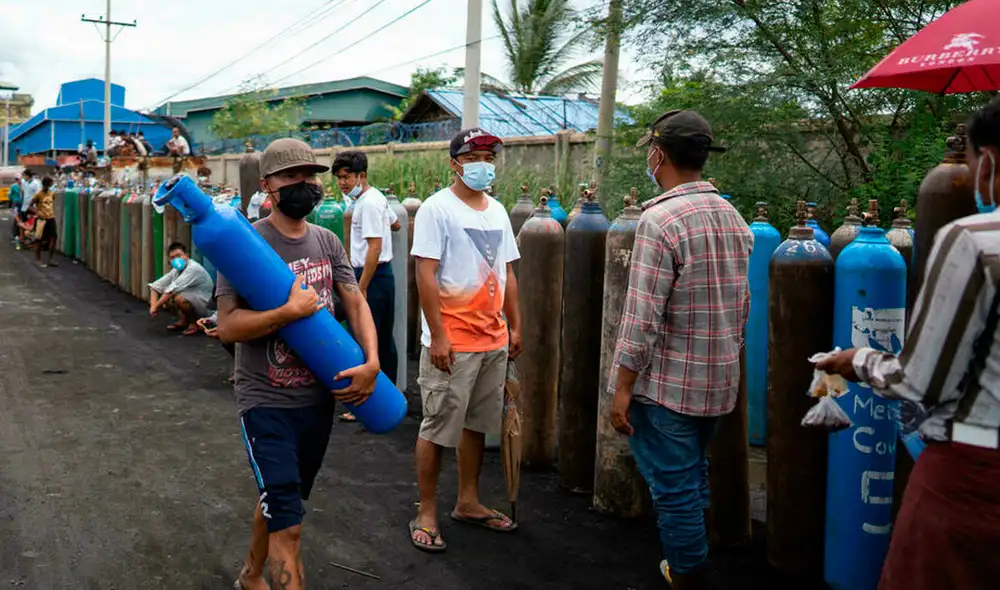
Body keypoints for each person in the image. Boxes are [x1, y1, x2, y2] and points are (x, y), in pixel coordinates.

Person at [817, 97, 1000, 590]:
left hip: (973, 478)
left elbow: (919, 378)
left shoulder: (977, 239)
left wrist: (859, 360)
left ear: (992, 163)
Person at [215, 137, 380, 590]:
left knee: (280, 501)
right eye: (292, 177)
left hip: (317, 401)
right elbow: (227, 326)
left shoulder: (327, 240)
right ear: (268, 185)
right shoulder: (243, 245)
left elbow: (355, 301)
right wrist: (285, 315)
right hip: (265, 402)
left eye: (310, 176)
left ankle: (251, 575)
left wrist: (372, 362)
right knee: (289, 525)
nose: (304, 185)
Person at [608, 110, 752, 590]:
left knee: (674, 489)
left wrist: (622, 387)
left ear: (658, 154)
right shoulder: (732, 216)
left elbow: (642, 315)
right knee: (691, 476)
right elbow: (742, 305)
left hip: (667, 387)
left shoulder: (660, 220)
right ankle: (692, 556)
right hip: (717, 382)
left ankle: (688, 575)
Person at [408, 128, 523, 552]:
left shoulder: (497, 210)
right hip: (452, 342)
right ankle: (425, 511)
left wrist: (516, 326)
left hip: (492, 338)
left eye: (490, 157)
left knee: (477, 425)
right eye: (475, 156)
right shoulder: (437, 210)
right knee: (438, 427)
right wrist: (437, 335)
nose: (484, 164)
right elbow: (425, 272)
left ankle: (468, 501)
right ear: (455, 162)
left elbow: (509, 272)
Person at [332, 151, 400, 424]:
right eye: (339, 178)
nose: (342, 183)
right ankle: (384, 396)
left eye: (346, 177)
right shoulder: (373, 199)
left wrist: (361, 287)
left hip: (372, 275)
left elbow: (375, 246)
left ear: (361, 175)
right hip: (376, 273)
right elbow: (395, 224)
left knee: (372, 339)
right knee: (380, 337)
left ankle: (376, 401)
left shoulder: (370, 203)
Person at [148, 242, 216, 335]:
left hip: (207, 306)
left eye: (178, 255)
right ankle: (184, 321)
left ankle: (193, 323)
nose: (176, 259)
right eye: (172, 257)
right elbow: (155, 286)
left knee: (178, 297)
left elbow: (171, 291)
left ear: (186, 256)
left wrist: (156, 306)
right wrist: (153, 306)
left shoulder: (193, 268)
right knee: (170, 295)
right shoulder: (176, 271)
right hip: (195, 300)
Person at [30, 176, 58, 268]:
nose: (50, 185)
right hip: (41, 220)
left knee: (53, 238)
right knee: (39, 240)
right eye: (50, 183)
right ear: (47, 184)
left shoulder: (52, 193)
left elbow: (51, 203)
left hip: (51, 218)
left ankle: (50, 259)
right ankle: (38, 260)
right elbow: (30, 206)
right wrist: (37, 212)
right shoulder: (38, 194)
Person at [18, 170, 41, 246]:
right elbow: (23, 192)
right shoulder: (25, 183)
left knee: (31, 224)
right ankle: (22, 239)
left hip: (32, 207)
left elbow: (38, 195)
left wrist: (35, 207)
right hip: (24, 206)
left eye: (24, 175)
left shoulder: (36, 183)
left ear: (28, 176)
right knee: (22, 223)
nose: (24, 177)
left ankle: (31, 241)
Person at [8, 175, 21, 243]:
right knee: (16, 219)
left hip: (21, 204)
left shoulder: (22, 186)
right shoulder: (13, 186)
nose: (20, 180)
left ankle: (19, 235)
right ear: (17, 180)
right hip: (16, 204)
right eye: (19, 179)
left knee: (20, 219)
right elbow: (9, 195)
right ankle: (15, 235)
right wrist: (13, 200)